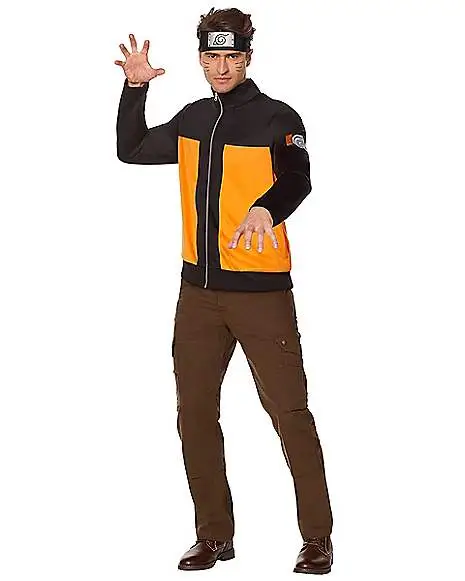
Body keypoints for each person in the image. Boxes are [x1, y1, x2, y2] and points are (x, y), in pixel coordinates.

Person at [115, 7, 333, 575]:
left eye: (231, 56)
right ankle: (214, 536)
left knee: (290, 413)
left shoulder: (277, 118)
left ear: (248, 58)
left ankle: (317, 538)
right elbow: (131, 149)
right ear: (200, 60)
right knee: (193, 414)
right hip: (198, 296)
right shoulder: (193, 119)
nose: (221, 67)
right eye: (211, 57)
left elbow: (299, 177)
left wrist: (267, 208)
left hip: (262, 295)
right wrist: (135, 89)